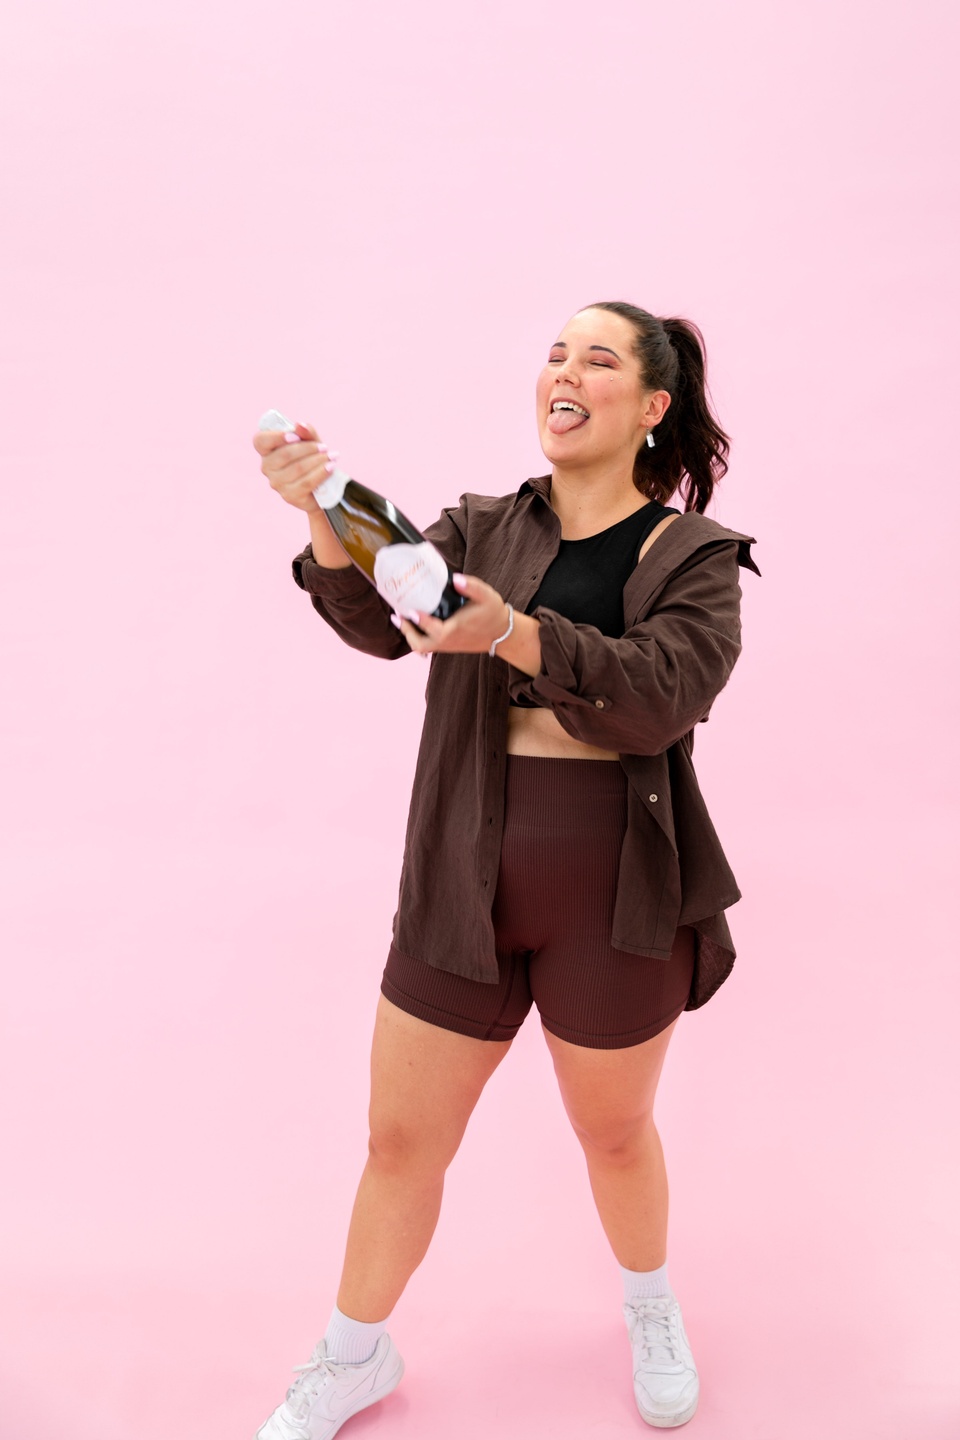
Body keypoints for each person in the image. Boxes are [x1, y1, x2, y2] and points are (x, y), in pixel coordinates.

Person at [251, 301, 759, 1438]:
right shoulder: (483, 526)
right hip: (462, 870)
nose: (563, 372)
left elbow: (662, 696)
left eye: (597, 358)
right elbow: (380, 620)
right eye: (554, 353)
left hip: (615, 886)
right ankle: (352, 1356)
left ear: (653, 405)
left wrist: (515, 635)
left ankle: (651, 1308)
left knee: (614, 1133)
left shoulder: (694, 558)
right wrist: (322, 513)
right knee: (399, 1142)